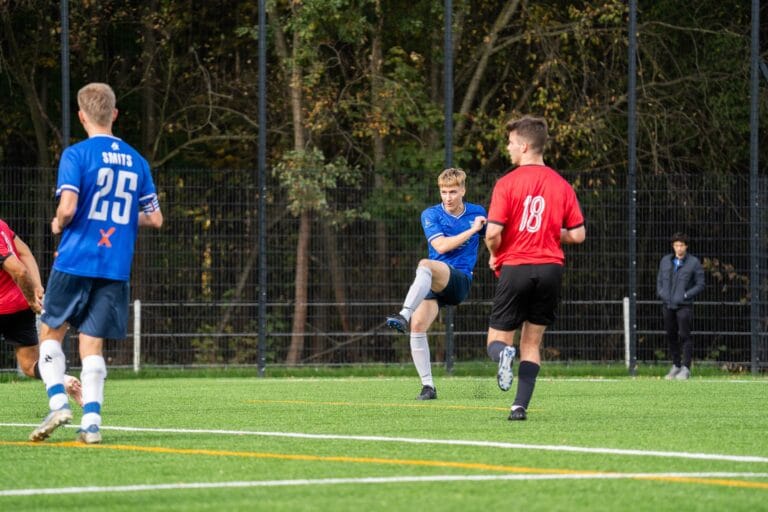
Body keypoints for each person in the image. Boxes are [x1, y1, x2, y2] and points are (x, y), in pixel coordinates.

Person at [29, 82, 163, 444]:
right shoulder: (138, 161)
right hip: (114, 265)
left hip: (75, 260)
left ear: (81, 115)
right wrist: (119, 219)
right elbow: (155, 218)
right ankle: (91, 425)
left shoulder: (77, 155)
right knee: (92, 345)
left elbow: (69, 208)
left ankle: (58, 401)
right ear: (114, 114)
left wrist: (59, 222)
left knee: (49, 334)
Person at [485, 115, 585, 421]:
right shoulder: (561, 184)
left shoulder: (507, 183)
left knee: (497, 341)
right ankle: (519, 406)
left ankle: (504, 356)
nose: (508, 147)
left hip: (516, 267)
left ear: (525, 146)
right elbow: (578, 234)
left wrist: (493, 253)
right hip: (551, 269)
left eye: (512, 142)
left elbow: (492, 233)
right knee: (532, 342)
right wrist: (552, 233)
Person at [386, 168, 487, 400]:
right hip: (435, 280)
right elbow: (441, 246)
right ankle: (428, 387)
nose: (448, 197)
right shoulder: (430, 214)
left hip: (459, 280)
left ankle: (403, 313)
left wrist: (496, 255)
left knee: (425, 264)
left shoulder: (477, 212)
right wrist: (473, 230)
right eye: (444, 192)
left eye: (453, 191)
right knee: (418, 327)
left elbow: (493, 236)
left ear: (463, 190)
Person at [0, 218, 82, 404]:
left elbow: (19, 271)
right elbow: (25, 252)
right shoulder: (2, 225)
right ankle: (62, 379)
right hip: (20, 307)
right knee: (29, 365)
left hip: (8, 306)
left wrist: (32, 298)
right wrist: (36, 288)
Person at [656, 232, 704, 380]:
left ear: (686, 246)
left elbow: (700, 284)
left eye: (681, 245)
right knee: (671, 335)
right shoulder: (665, 261)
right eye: (676, 245)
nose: (679, 248)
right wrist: (662, 293)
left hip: (684, 306)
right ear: (673, 246)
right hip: (667, 304)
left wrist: (685, 295)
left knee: (684, 335)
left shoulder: (694, 263)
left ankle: (686, 367)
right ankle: (676, 365)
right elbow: (659, 281)